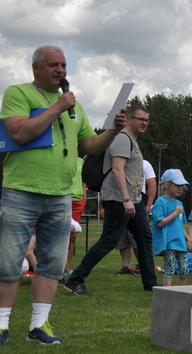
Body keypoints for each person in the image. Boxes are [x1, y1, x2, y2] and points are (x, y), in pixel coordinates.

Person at [0, 45, 124, 348]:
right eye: (53, 65)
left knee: (52, 264)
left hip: (61, 194)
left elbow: (90, 145)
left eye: (63, 65)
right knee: (8, 262)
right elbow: (19, 132)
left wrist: (113, 131)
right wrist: (57, 107)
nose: (60, 70)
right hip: (22, 191)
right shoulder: (19, 94)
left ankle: (39, 325)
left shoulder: (74, 105)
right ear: (36, 68)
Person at [64, 105, 158, 295]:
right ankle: (75, 279)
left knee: (144, 239)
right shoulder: (122, 138)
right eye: (141, 119)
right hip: (119, 200)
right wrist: (126, 199)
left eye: (147, 120)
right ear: (129, 119)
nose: (145, 123)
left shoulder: (132, 140)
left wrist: (133, 199)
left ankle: (151, 284)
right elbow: (117, 169)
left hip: (134, 200)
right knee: (109, 241)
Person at [152, 169, 192, 287]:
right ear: (167, 185)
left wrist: (188, 240)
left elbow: (180, 225)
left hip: (180, 243)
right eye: (177, 185)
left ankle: (180, 293)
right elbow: (160, 223)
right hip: (168, 243)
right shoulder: (160, 202)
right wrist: (175, 213)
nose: (180, 188)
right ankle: (167, 294)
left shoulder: (179, 204)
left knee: (184, 270)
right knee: (169, 270)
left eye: (182, 186)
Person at [116, 158, 157, 275]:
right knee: (122, 234)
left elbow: (152, 184)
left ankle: (142, 264)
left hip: (138, 198)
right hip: (120, 198)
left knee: (139, 234)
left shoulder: (145, 163)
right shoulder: (119, 162)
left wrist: (148, 205)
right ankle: (126, 265)